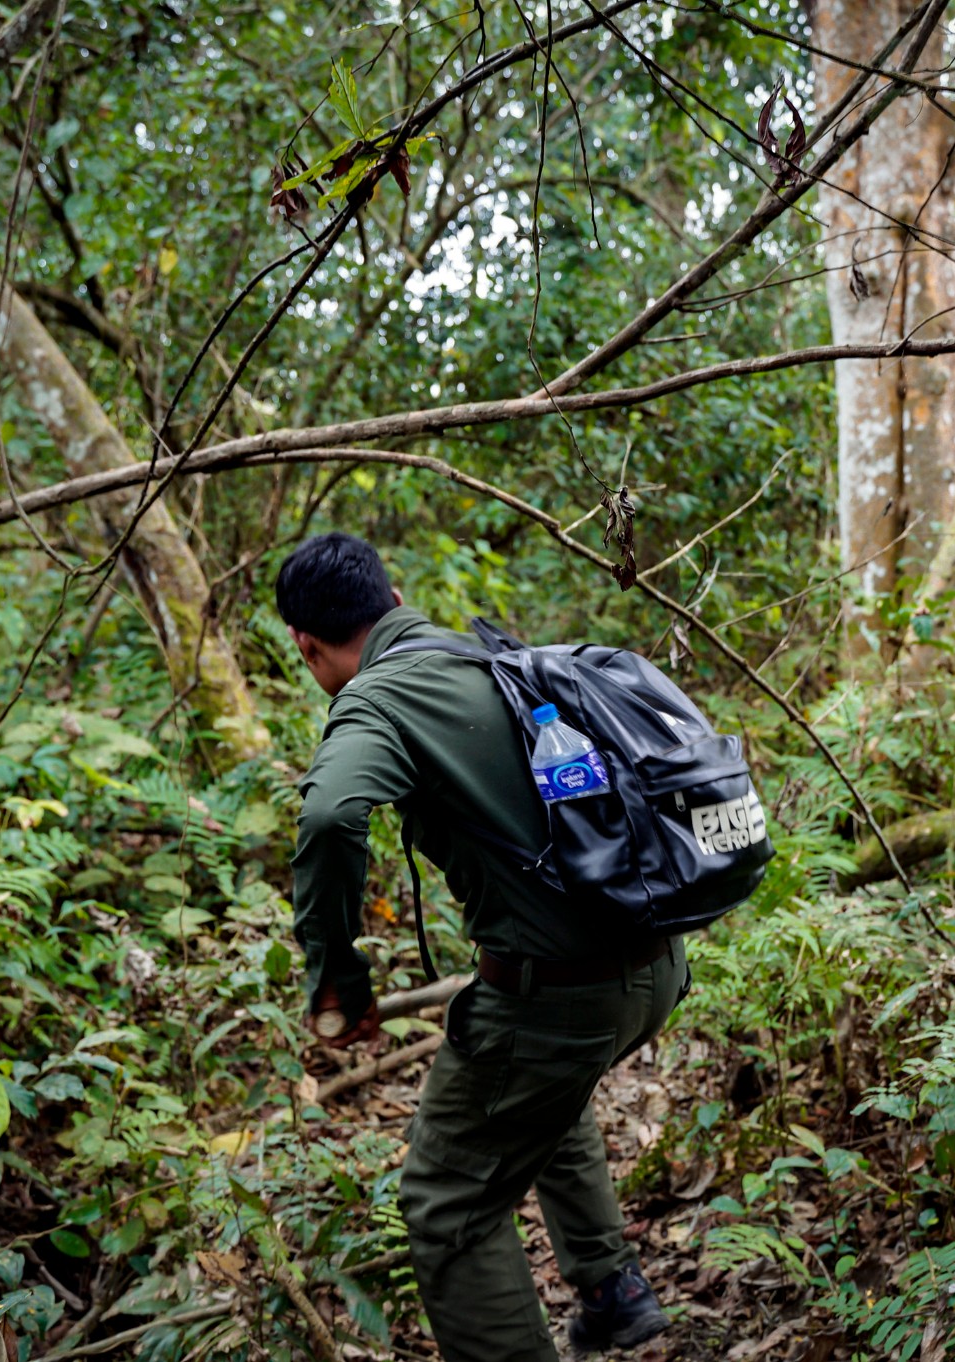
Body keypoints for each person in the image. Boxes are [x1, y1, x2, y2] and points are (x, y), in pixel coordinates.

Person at [276, 532, 684, 1361]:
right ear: (394, 602)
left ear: (307, 647)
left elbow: (327, 818)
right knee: (535, 1091)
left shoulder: (378, 696)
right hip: (657, 967)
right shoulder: (499, 657)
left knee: (444, 1203)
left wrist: (336, 982)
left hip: (564, 996)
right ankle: (612, 1292)